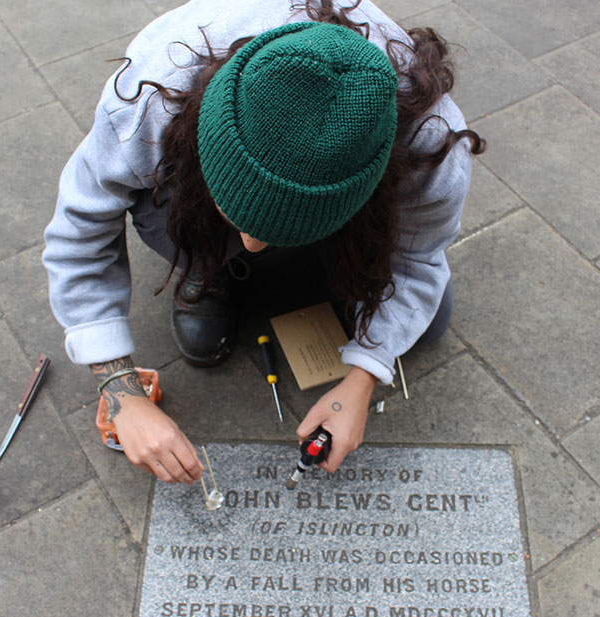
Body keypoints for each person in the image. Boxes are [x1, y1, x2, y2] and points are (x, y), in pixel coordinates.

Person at [42, 0, 484, 485]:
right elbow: (78, 232)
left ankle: (315, 247)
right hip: (181, 179)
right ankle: (207, 271)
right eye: (240, 220)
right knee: (175, 217)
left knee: (431, 320)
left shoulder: (431, 142)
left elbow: (418, 260)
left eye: (276, 232)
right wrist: (121, 394)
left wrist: (361, 380)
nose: (250, 248)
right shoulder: (146, 100)